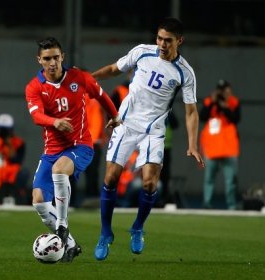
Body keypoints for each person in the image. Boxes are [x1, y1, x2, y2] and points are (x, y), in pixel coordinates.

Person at [91, 17, 205, 261]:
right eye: (160, 38)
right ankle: (105, 232)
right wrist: (89, 80)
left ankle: (138, 227)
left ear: (179, 41)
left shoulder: (185, 72)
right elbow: (114, 69)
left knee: (149, 184)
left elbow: (191, 110)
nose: (162, 44)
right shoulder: (142, 52)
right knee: (110, 178)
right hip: (125, 123)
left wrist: (193, 144)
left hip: (153, 130)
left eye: (168, 40)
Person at [25, 37, 120, 262]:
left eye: (56, 57)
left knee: (60, 169)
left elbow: (101, 95)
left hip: (80, 146)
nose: (52, 63)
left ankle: (62, 225)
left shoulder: (80, 78)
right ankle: (70, 244)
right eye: (47, 58)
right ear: (39, 60)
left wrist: (114, 115)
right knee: (38, 200)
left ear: (62, 57)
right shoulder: (34, 87)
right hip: (51, 150)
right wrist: (54, 122)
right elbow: (36, 115)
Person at [199, 79, 240, 210]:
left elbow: (235, 118)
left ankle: (232, 205)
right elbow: (203, 116)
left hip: (229, 148)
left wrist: (224, 105)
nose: (222, 93)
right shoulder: (209, 101)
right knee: (209, 179)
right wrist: (213, 101)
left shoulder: (233, 102)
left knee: (231, 180)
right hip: (212, 147)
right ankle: (207, 203)